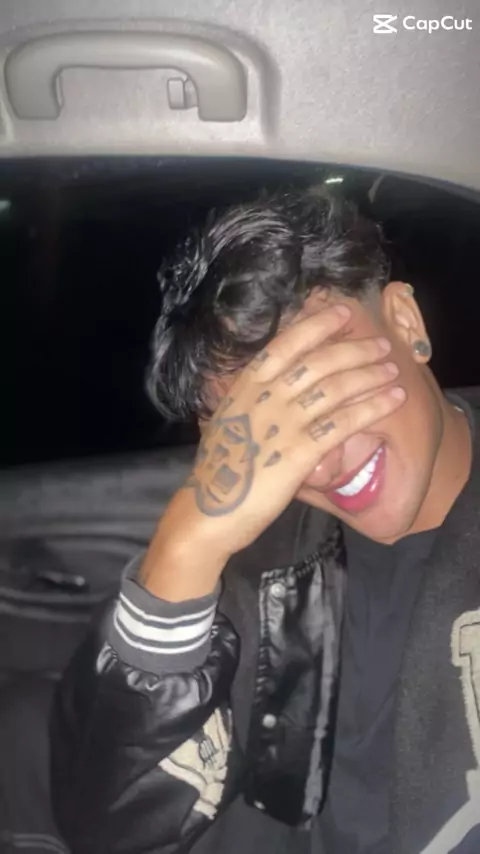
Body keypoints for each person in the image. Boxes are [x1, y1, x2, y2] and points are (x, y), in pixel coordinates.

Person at [50, 190, 480, 854]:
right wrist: (191, 541)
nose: (324, 461)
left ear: (405, 320)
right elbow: (114, 826)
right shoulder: (262, 567)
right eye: (277, 427)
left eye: (321, 386)